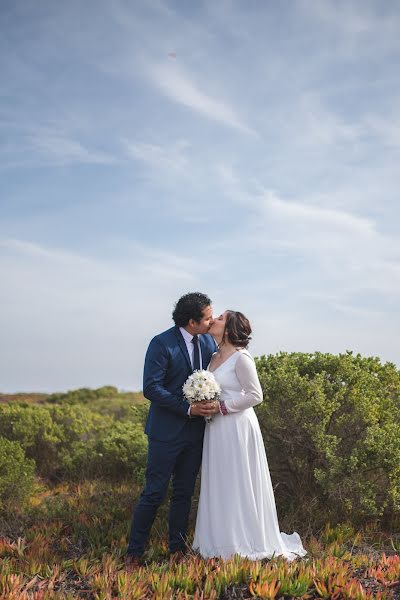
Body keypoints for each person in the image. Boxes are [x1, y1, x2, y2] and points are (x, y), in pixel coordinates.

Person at [192, 310, 307, 561]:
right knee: (220, 480)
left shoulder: (241, 358)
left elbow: (256, 395)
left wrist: (223, 407)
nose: (214, 320)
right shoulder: (212, 357)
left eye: (220, 318)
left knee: (238, 479)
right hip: (216, 428)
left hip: (237, 427)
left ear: (230, 329)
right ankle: (217, 539)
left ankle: (243, 540)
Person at [125, 292, 218, 570]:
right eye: (208, 317)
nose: (212, 321)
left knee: (184, 493)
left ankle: (177, 550)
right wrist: (186, 408)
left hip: (196, 434)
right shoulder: (161, 343)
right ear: (192, 321)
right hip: (165, 433)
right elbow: (151, 387)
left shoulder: (209, 341)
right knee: (154, 493)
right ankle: (134, 553)